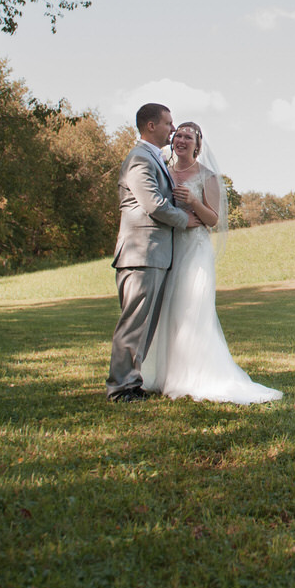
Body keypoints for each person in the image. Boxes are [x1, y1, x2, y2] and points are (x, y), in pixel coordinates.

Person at [141, 121, 283, 403]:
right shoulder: (165, 172)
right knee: (166, 311)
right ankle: (163, 374)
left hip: (194, 250)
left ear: (198, 144)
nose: (181, 140)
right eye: (178, 135)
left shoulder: (207, 176)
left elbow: (213, 220)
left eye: (188, 137)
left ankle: (195, 375)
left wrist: (193, 201)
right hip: (169, 249)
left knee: (191, 310)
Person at [105, 103, 190, 402]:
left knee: (144, 325)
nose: (173, 128)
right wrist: (186, 220)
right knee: (134, 323)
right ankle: (120, 388)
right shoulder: (140, 159)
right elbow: (153, 204)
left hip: (153, 255)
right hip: (141, 253)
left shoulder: (154, 158)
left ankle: (131, 381)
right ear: (151, 126)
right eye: (168, 123)